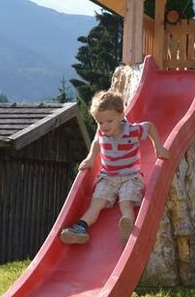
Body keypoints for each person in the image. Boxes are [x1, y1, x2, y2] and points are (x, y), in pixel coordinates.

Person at [60, 90, 170, 244]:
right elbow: (96, 143)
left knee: (126, 202)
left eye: (109, 121)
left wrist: (158, 147)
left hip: (131, 177)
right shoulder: (101, 133)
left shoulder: (132, 131)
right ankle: (80, 227)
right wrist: (90, 158)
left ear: (121, 116)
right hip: (107, 177)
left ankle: (128, 226)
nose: (104, 126)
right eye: (100, 122)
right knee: (96, 204)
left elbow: (150, 127)